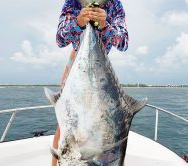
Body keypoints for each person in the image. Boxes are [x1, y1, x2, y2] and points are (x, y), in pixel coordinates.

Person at [46, 0, 129, 165]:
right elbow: (60, 40)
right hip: (77, 60)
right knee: (66, 121)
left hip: (102, 66)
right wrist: (78, 22)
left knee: (118, 124)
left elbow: (123, 43)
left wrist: (105, 25)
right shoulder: (72, 3)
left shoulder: (115, 5)